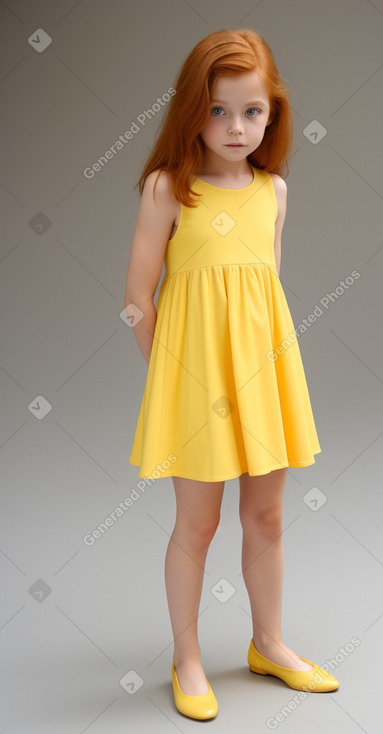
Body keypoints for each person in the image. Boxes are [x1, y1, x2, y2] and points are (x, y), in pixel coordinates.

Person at [124, 27, 339, 721]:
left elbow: (262, 296)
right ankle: (186, 655)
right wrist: (175, 383)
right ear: (192, 110)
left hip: (264, 381)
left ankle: (268, 642)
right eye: (218, 110)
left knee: (268, 514)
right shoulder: (168, 189)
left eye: (252, 111)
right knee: (198, 522)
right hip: (193, 385)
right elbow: (137, 303)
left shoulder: (272, 192)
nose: (236, 126)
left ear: (272, 112)